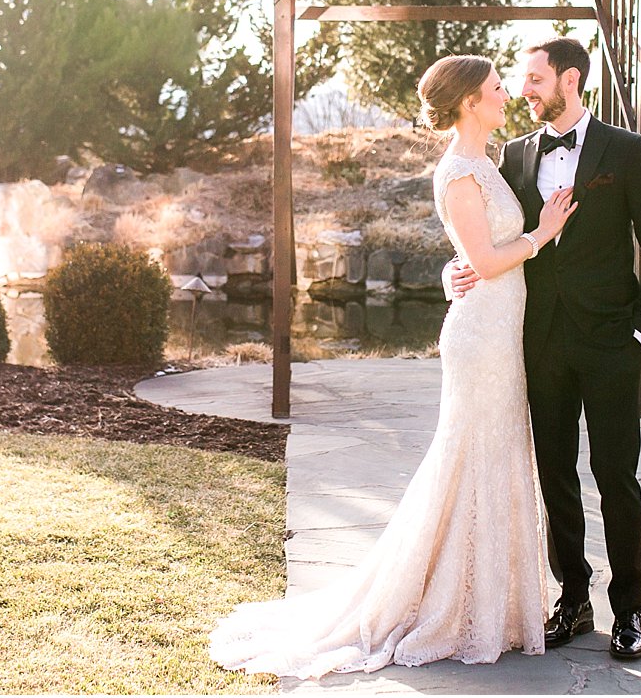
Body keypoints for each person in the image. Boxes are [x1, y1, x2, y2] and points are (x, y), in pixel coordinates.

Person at [210, 54, 579, 679]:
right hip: (481, 338)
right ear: (468, 102)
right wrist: (542, 232)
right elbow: (485, 260)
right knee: (469, 457)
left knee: (496, 457)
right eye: (495, 89)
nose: (505, 96)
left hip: (502, 332)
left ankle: (496, 605)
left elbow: (469, 254)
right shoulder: (459, 171)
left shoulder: (490, 161)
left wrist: (455, 266)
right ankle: (450, 607)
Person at [449, 37, 641, 661]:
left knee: (616, 477)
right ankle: (571, 600)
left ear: (570, 80)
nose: (524, 89)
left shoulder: (626, 152)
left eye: (534, 78)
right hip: (538, 341)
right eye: (519, 80)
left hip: (610, 342)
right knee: (555, 476)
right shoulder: (514, 156)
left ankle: (629, 611)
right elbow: (486, 234)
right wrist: (456, 271)